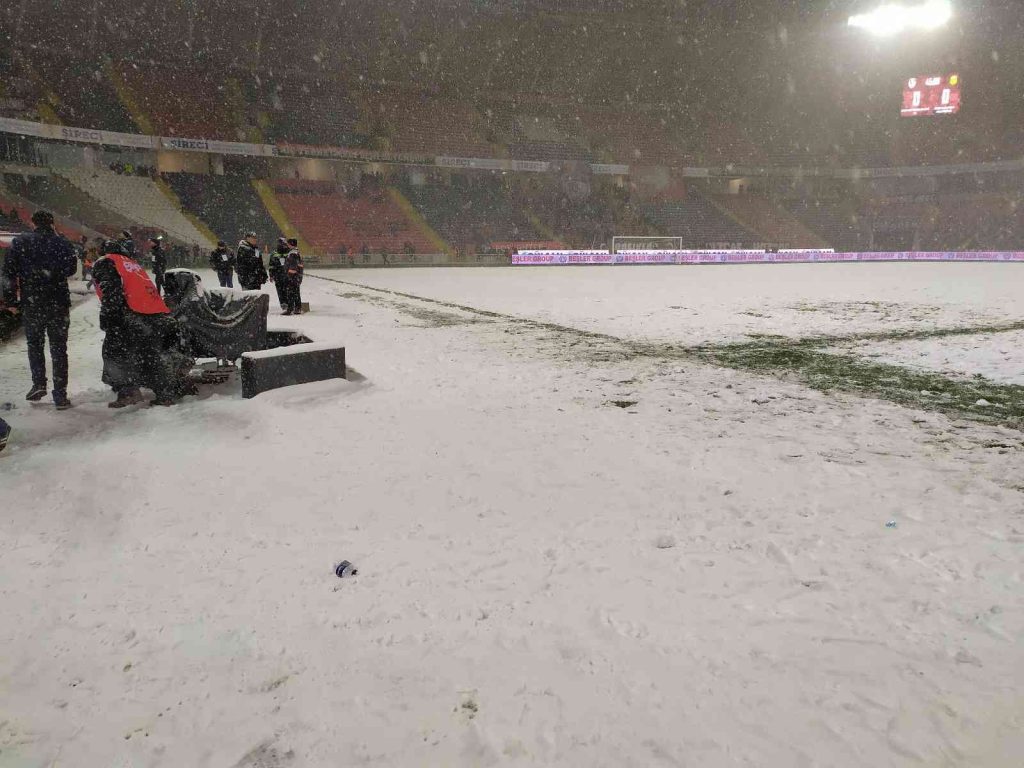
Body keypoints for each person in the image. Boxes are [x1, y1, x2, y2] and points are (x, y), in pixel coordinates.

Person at [92, 240, 192, 408]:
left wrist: (109, 317)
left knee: (115, 353)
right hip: (156, 313)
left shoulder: (107, 261)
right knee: (151, 354)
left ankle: (128, 392)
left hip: (132, 313)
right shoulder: (131, 263)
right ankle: (166, 392)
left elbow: (111, 291)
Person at [0, 210, 78, 409]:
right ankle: (60, 395)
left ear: (33, 223)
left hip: (32, 303)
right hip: (58, 302)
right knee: (59, 349)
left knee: (35, 345)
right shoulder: (63, 242)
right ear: (52, 223)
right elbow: (70, 269)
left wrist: (10, 300)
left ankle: (38, 383)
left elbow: (8, 272)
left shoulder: (20, 242)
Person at [283, 237, 304, 315]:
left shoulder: (292, 254)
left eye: (288, 244)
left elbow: (293, 266)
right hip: (297, 277)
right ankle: (297, 308)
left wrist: (289, 276)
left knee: (291, 293)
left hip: (293, 277)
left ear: (291, 244)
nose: (287, 245)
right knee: (296, 293)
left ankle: (290, 309)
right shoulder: (297, 252)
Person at [267, 237, 289, 311]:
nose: (284, 245)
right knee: (280, 290)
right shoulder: (274, 253)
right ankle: (283, 304)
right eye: (283, 244)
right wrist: (271, 275)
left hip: (287, 275)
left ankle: (288, 303)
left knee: (287, 290)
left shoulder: (289, 252)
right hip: (278, 275)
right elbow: (271, 265)